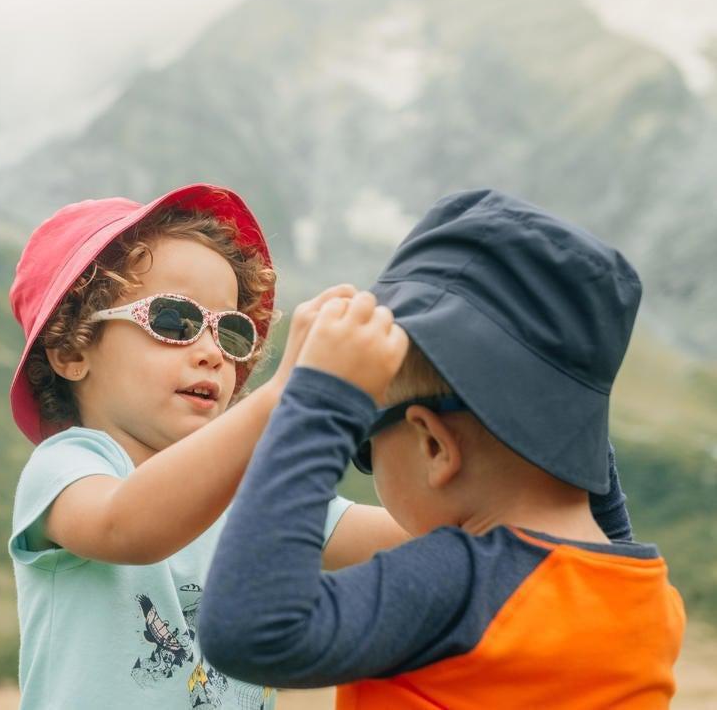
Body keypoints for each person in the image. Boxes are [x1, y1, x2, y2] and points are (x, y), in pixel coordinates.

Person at [200, 189, 685, 709]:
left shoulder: (462, 584)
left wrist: (319, 402)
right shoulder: (650, 600)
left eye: (362, 439)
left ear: (433, 445)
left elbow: (249, 632)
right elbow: (608, 532)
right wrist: (570, 419)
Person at [6, 183, 409, 709]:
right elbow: (126, 527)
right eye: (175, 320)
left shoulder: (250, 492)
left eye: (232, 333)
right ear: (71, 349)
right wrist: (287, 397)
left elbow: (407, 538)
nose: (212, 353)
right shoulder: (69, 466)